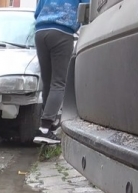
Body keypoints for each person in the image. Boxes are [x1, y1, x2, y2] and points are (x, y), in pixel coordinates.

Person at [32, 0, 89, 145]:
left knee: (48, 82)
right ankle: (45, 128)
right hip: (62, 32)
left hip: (40, 32)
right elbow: (87, 11)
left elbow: (37, 12)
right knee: (59, 82)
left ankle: (48, 124)